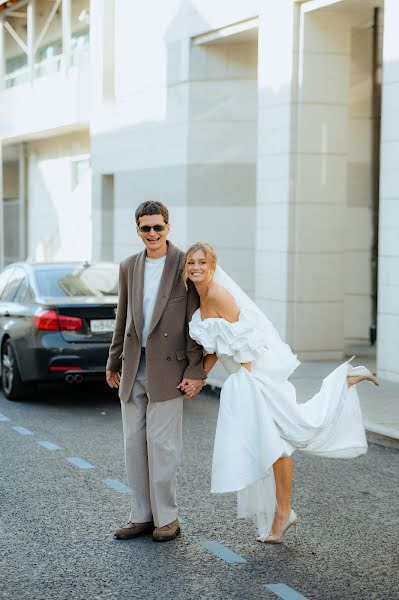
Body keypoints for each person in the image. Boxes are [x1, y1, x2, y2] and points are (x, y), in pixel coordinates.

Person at [184, 242, 378, 543]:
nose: (196, 267)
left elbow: (246, 335)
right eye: (190, 263)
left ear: (212, 265)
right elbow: (218, 346)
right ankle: (283, 514)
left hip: (252, 376)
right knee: (278, 440)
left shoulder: (218, 294)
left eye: (201, 263)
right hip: (242, 375)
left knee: (294, 431)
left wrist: (247, 381)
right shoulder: (200, 296)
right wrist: (200, 376)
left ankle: (344, 380)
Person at [106, 202, 207, 542]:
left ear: (168, 228)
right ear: (137, 230)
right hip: (134, 363)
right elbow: (124, 317)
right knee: (134, 443)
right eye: (145, 228)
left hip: (170, 367)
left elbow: (197, 321)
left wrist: (197, 370)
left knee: (161, 445)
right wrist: (113, 360)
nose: (152, 234)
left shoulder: (184, 264)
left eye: (158, 227)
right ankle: (141, 516)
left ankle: (167, 517)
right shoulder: (129, 266)